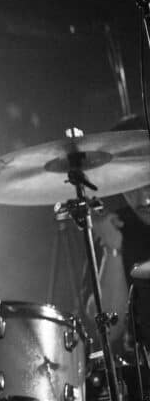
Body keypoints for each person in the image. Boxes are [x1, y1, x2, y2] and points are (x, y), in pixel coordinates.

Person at [89, 115, 150, 351]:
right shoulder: (116, 226)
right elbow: (106, 332)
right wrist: (112, 250)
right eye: (131, 186)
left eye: (148, 182)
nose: (143, 199)